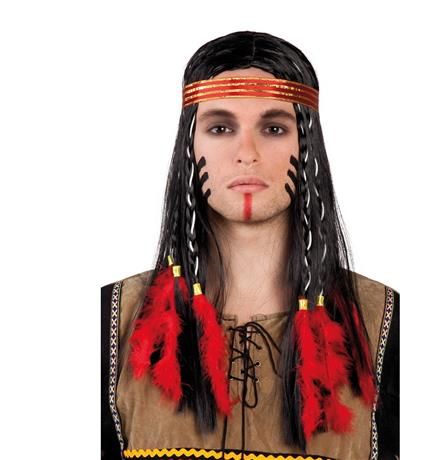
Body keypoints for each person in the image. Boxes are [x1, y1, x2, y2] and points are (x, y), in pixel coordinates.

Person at [101, 31, 399, 460]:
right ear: (190, 146)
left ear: (307, 145)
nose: (247, 152)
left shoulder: (383, 320)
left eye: (274, 128)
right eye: (220, 128)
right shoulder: (112, 320)